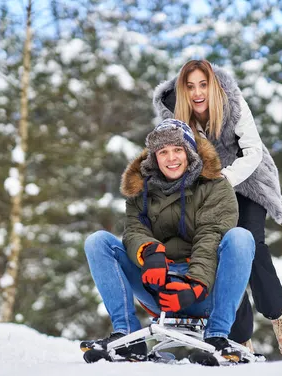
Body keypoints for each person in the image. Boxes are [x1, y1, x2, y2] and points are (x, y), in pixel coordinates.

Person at [152, 59, 282, 355]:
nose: (197, 93)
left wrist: (225, 177)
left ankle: (277, 316)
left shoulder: (232, 101)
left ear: (213, 85)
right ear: (182, 90)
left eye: (203, 85)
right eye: (191, 86)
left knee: (250, 241)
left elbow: (253, 151)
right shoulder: (173, 113)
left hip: (247, 178)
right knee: (224, 251)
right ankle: (240, 333)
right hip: (206, 188)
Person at [81, 119, 255, 362]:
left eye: (177, 150)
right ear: (154, 158)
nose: (171, 158)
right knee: (98, 242)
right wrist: (150, 252)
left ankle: (217, 337)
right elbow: (133, 231)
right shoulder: (140, 191)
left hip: (204, 291)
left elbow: (211, 235)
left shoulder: (215, 186)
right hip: (158, 287)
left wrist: (194, 285)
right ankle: (127, 335)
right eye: (163, 152)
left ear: (190, 152)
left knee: (241, 238)